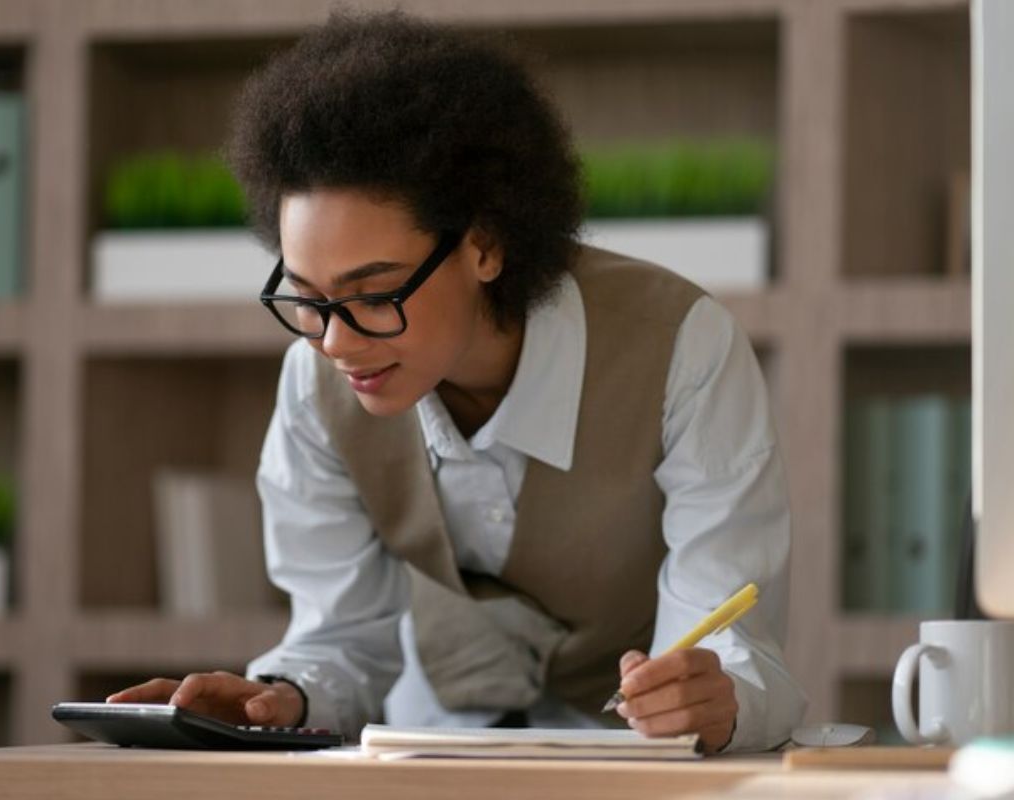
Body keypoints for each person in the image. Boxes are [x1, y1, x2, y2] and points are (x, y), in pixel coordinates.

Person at [108, 10, 807, 753]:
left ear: (485, 243)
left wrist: (710, 701)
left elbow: (732, 641)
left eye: (375, 293)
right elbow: (340, 638)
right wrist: (281, 699)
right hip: (427, 743)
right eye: (309, 299)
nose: (336, 341)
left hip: (631, 761)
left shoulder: (681, 348)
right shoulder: (315, 388)